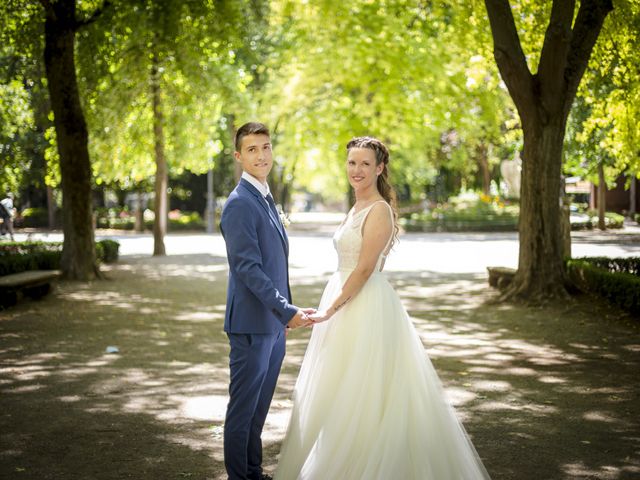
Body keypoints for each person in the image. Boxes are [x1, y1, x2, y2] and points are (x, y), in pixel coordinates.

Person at [274, 137, 491, 479]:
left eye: (364, 164)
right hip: (345, 295)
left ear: (379, 168)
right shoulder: (356, 208)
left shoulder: (379, 210)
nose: (356, 170)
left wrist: (330, 310)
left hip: (364, 304)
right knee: (341, 386)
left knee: (367, 387)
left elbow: (365, 269)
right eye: (351, 163)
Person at [220, 122, 315, 480]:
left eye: (266, 147)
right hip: (250, 324)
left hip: (273, 326)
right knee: (243, 411)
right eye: (252, 149)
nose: (261, 155)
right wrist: (286, 311)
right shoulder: (240, 204)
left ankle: (254, 473)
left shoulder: (265, 198)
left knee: (259, 410)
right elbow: (248, 269)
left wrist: (284, 316)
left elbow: (276, 267)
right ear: (238, 156)